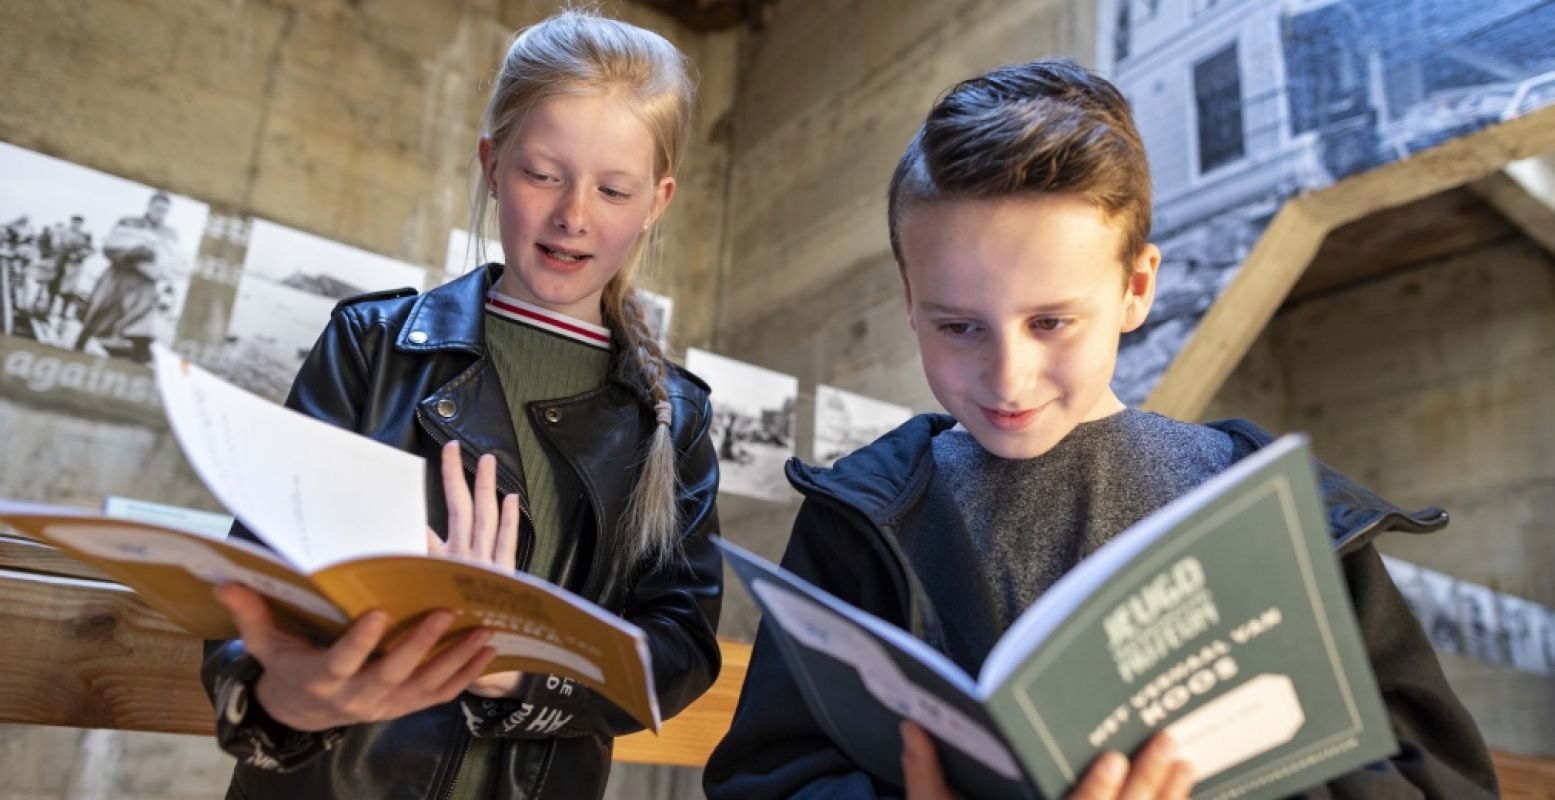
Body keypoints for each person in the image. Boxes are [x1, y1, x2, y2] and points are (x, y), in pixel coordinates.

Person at [704, 59, 1498, 800]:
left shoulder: (1273, 514)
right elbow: (762, 779)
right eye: (957, 327)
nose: (1007, 376)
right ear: (910, 301)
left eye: (1050, 321)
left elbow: (1440, 781)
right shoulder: (859, 516)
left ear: (1135, 288)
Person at [200, 10, 723, 800]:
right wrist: (284, 699)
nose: (573, 215)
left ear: (656, 201)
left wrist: (521, 667)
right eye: (541, 174)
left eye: (613, 189)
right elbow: (257, 582)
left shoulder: (673, 416)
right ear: (491, 164)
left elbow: (679, 645)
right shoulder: (371, 344)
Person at [75, 191, 179, 361]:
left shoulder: (169, 234)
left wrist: (156, 266)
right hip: (118, 278)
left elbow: (168, 261)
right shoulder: (128, 222)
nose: (160, 214)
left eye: (164, 211)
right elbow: (110, 248)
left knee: (141, 326)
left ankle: (134, 364)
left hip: (144, 286)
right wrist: (138, 255)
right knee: (97, 318)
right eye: (158, 209)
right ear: (150, 206)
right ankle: (77, 352)